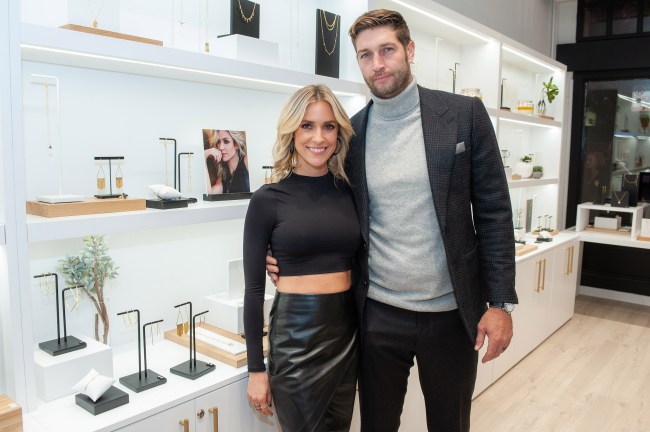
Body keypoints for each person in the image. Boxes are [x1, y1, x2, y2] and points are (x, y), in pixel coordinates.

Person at [267, 9, 517, 432]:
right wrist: (283, 253)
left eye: (387, 50)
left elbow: (495, 212)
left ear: (409, 49)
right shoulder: (351, 135)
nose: (378, 64)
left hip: (453, 313)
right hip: (378, 315)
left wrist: (500, 303)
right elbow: (325, 209)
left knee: (451, 425)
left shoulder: (464, 115)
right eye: (366, 55)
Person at [243, 84, 360, 431]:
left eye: (328, 126)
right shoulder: (267, 199)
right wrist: (256, 369)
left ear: (338, 134)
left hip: (346, 334)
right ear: (292, 131)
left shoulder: (350, 193)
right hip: (295, 339)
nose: (318, 137)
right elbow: (253, 290)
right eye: (307, 125)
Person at [203, 129, 250, 194]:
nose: (221, 147)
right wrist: (205, 155)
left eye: (226, 141)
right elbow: (209, 194)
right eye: (218, 142)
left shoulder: (246, 161)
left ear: (236, 144)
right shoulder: (223, 176)